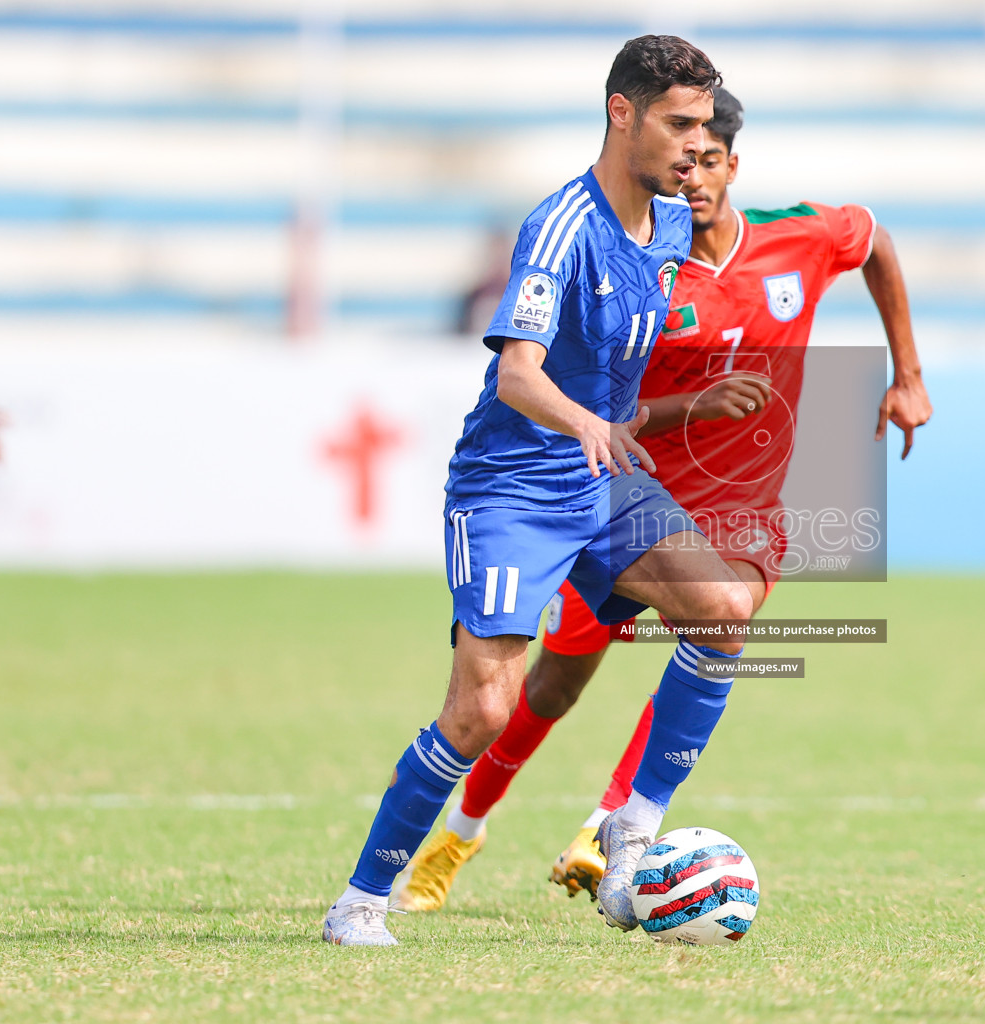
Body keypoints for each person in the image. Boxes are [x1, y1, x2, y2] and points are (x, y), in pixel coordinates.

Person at [392, 87, 933, 913]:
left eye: (710, 158)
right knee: (546, 689)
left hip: (742, 511)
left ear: (732, 165)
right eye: (684, 155)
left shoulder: (799, 239)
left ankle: (618, 824)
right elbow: (606, 401)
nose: (694, 176)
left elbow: (877, 243)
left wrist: (908, 377)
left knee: (722, 617)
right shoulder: (652, 259)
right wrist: (684, 408)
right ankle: (462, 829)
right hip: (628, 495)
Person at [321, 34, 756, 946]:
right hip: (514, 484)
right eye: (678, 123)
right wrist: (589, 424)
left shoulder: (673, 222)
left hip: (604, 474)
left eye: (705, 126)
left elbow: (621, 365)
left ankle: (631, 835)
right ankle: (360, 902)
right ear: (621, 112)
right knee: (484, 710)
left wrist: (678, 407)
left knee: (721, 606)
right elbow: (519, 375)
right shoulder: (562, 223)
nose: (693, 144)